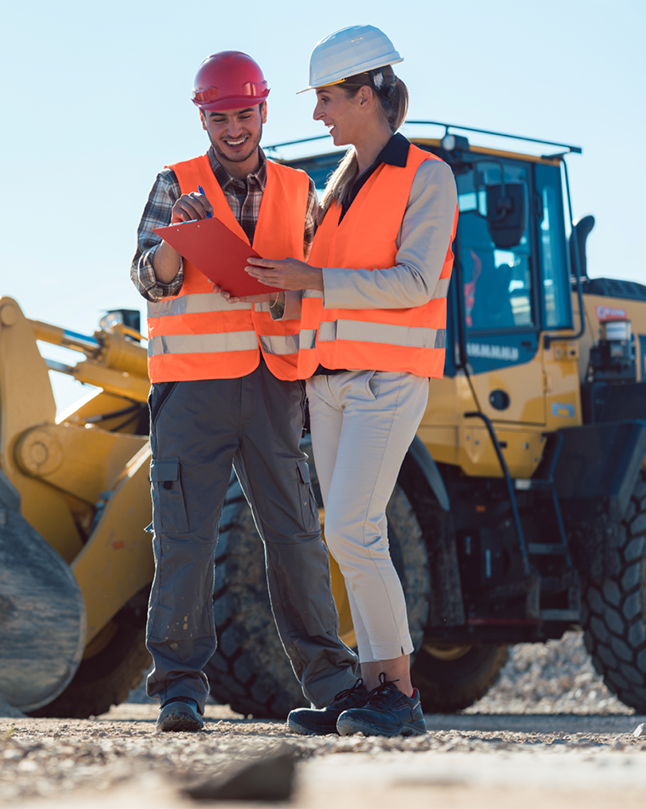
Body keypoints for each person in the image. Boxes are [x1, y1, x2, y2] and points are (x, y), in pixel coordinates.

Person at [130, 50, 360, 733]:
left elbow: (320, 278)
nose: (234, 129)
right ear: (204, 118)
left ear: (264, 111)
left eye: (244, 114)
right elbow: (149, 276)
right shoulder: (176, 182)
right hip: (192, 389)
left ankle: (334, 678)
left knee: (294, 537)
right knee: (185, 538)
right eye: (220, 117)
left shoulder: (298, 190)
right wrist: (182, 240)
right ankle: (178, 688)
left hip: (273, 387)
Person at [242, 26, 458, 738]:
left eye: (328, 100)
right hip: (330, 385)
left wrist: (316, 279)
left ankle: (397, 690)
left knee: (357, 530)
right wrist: (277, 284)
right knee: (345, 533)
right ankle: (369, 686)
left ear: (368, 95)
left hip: (386, 382)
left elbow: (417, 279)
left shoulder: (426, 177)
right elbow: (323, 289)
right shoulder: (338, 187)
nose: (318, 115)